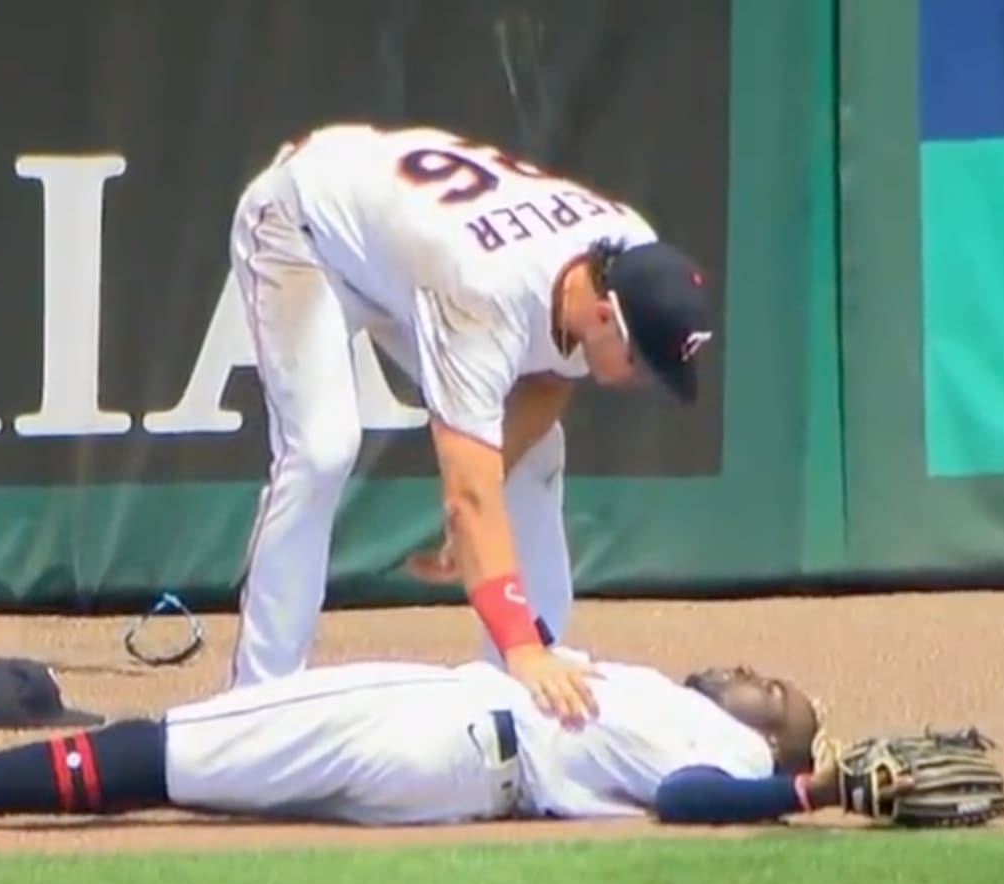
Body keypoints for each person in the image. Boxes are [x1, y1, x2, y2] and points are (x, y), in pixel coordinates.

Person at [225, 121, 715, 726]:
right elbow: (469, 496)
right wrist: (511, 620)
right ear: (604, 315)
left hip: (404, 245)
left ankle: (535, 685)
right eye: (643, 361)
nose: (644, 380)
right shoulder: (484, 299)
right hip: (302, 225)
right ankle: (255, 702)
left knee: (535, 452)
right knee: (322, 448)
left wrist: (494, 485)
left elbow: (549, 373)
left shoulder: (626, 250)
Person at [0, 656, 858, 832]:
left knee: (165, 749)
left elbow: (686, 803)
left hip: (437, 728)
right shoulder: (675, 707)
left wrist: (809, 790)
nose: (744, 671)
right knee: (185, 770)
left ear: (765, 726)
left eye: (769, 686)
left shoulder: (727, 753)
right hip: (450, 775)